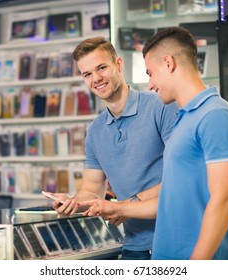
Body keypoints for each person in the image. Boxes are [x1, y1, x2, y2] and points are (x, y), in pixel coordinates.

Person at [80, 27, 228, 260]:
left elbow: (224, 200)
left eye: (150, 73)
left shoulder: (217, 116)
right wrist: (119, 208)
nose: (149, 84)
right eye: (87, 74)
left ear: (168, 63)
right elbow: (173, 195)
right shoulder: (185, 118)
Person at [44, 36, 178, 260]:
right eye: (87, 74)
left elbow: (181, 177)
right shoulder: (96, 131)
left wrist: (126, 205)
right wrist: (71, 203)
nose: (96, 78)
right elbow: (92, 189)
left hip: (173, 241)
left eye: (101, 67)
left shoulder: (160, 106)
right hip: (134, 246)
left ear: (118, 64)